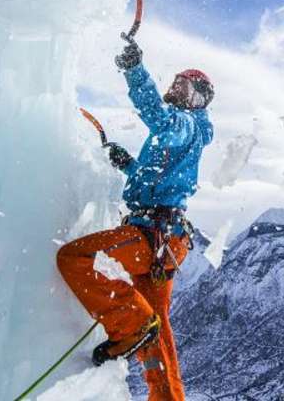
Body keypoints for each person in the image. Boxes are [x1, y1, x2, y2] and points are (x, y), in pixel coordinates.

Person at [56, 35, 214, 401]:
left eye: (183, 85)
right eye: (174, 83)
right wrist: (127, 163)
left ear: (198, 98)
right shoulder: (182, 137)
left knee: (75, 257)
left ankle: (130, 325)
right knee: (159, 335)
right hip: (164, 240)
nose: (175, 88)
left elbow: (160, 120)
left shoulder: (186, 125)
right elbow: (154, 181)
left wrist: (134, 71)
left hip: (153, 237)